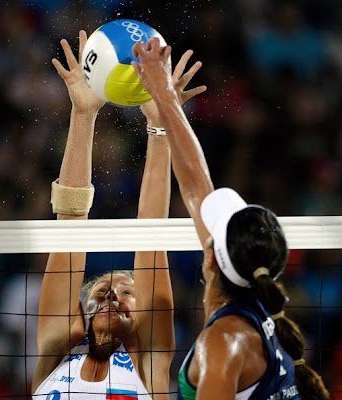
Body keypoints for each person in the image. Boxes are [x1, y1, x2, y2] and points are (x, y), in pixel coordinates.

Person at [131, 38, 331, 400]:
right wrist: (165, 101)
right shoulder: (260, 317)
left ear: (210, 257)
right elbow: (196, 187)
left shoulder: (225, 341)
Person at [31, 31, 206, 400]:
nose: (113, 294)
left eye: (128, 292)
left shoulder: (149, 365)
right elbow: (69, 231)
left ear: (143, 317)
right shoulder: (56, 354)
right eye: (105, 290)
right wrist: (82, 113)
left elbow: (151, 237)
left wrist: (160, 130)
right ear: (81, 310)